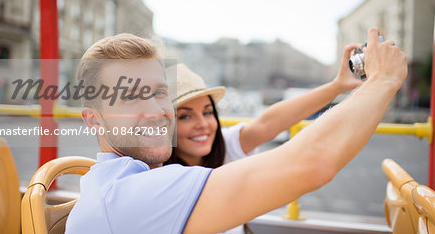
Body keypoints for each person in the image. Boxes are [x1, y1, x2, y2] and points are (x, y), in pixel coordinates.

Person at [66, 28, 407, 234]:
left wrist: (336, 86)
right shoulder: (133, 195)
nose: (157, 111)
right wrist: (384, 80)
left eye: (158, 93)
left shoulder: (117, 183)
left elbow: (268, 125)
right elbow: (310, 163)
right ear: (93, 119)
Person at [165, 43, 363, 169]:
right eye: (185, 116)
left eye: (208, 112)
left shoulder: (225, 146)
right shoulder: (153, 176)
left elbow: (268, 123)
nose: (203, 124)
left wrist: (338, 86)